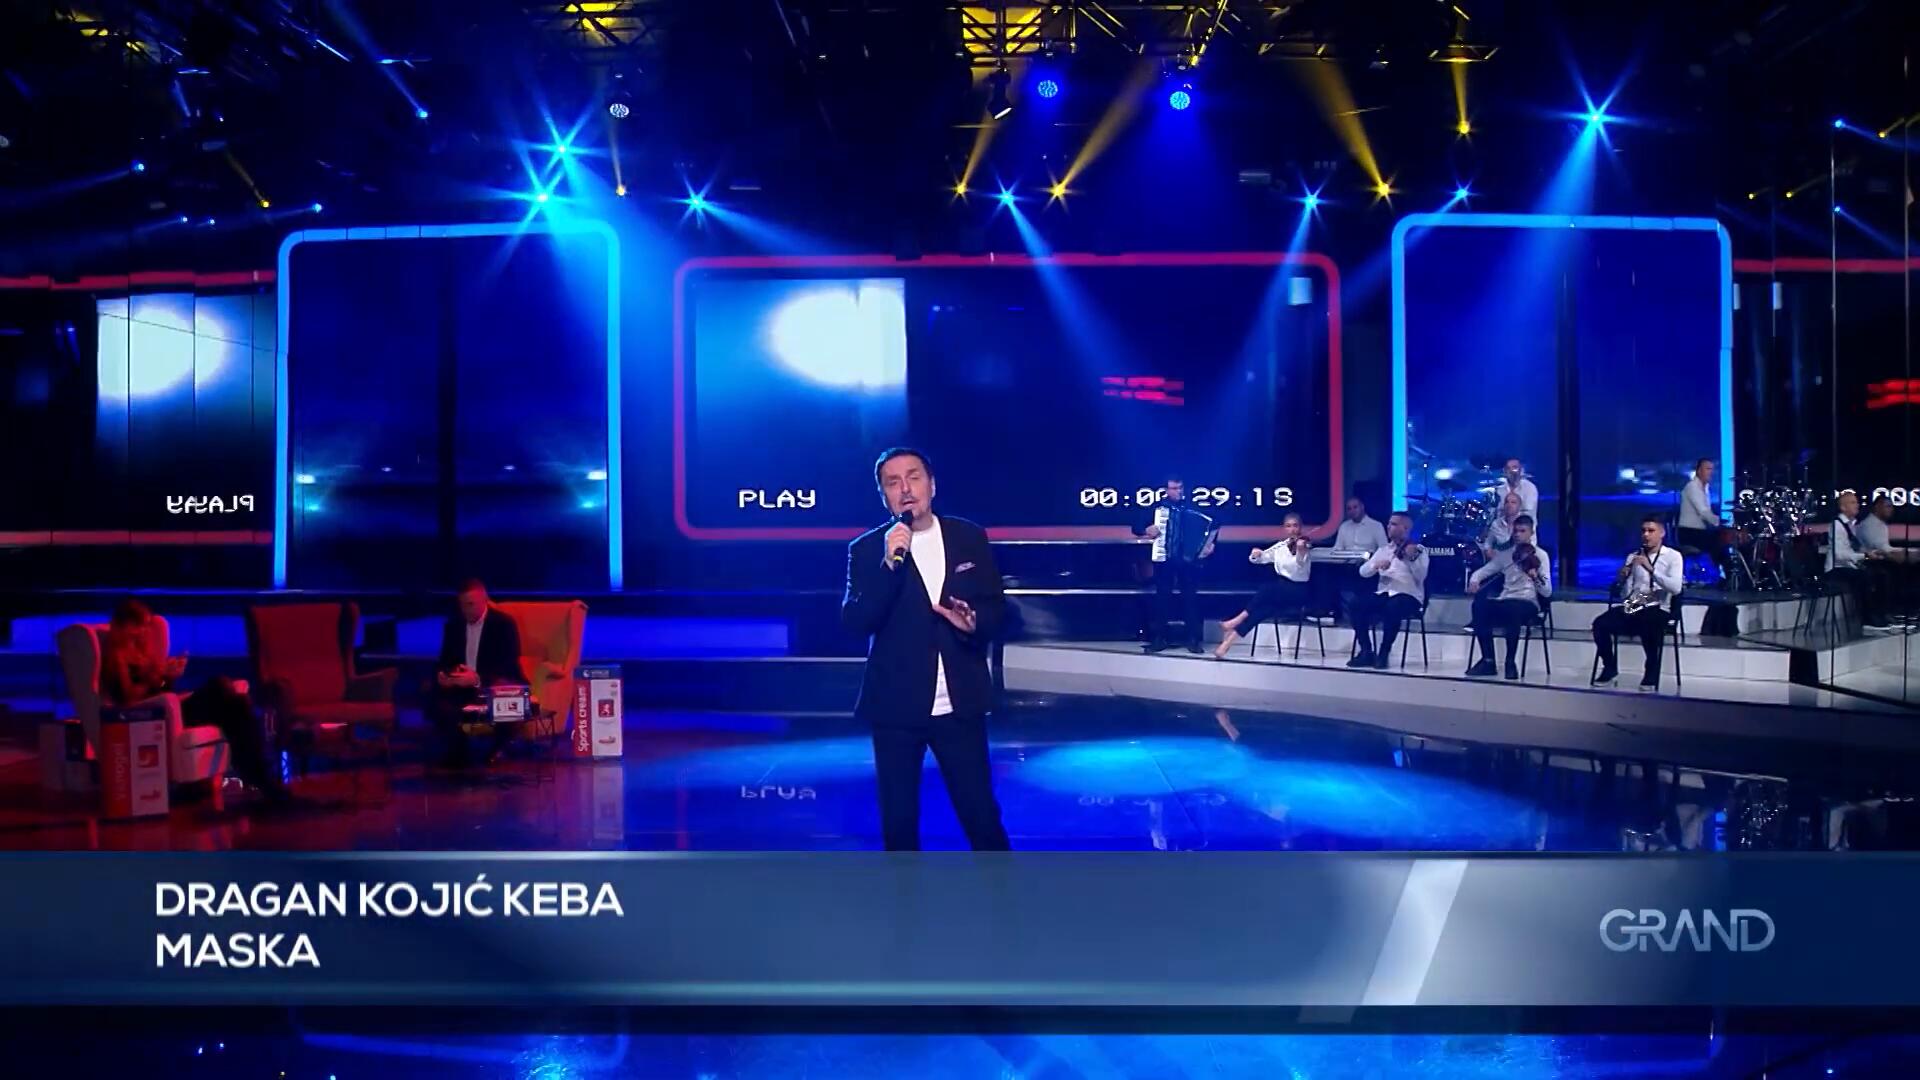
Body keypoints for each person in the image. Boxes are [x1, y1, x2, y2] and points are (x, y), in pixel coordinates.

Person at [842, 447, 1010, 852]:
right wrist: (888, 565)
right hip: (896, 708)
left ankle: (1003, 889)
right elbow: (856, 621)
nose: (905, 489)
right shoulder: (867, 550)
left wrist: (974, 623)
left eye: (913, 477)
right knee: (899, 824)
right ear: (883, 495)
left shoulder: (968, 537)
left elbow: (996, 608)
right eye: (893, 482)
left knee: (981, 817)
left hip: (960, 704)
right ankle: (905, 893)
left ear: (932, 484)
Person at [99, 599, 289, 803]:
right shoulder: (117, 656)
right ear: (127, 625)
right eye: (141, 626)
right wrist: (158, 676)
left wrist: (167, 676)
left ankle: (259, 774)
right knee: (221, 688)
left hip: (169, 710)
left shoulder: (139, 650)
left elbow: (161, 688)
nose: (145, 631)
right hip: (152, 717)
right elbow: (128, 698)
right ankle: (259, 776)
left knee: (237, 702)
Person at [430, 578, 525, 767]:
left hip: (497, 685)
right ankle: (456, 752)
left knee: (502, 696)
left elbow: (508, 664)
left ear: (485, 600)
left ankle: (498, 748)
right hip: (462, 687)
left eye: (471, 604)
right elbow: (445, 660)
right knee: (434, 696)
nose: (466, 610)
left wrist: (476, 679)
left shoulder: (504, 624)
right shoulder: (454, 625)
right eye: (462, 605)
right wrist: (444, 676)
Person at [1592, 517, 1686, 690]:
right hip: (1636, 603)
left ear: (1662, 533)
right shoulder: (1633, 557)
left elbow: (1675, 588)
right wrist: (1622, 579)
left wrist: (1650, 569)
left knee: (1648, 620)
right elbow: (1626, 595)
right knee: (1600, 624)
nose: (1646, 535)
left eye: (1651, 531)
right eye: (1643, 531)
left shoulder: (1673, 556)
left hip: (1660, 604)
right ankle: (1610, 667)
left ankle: (1651, 671)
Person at [1132, 472, 1217, 653]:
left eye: (1180, 488)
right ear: (1166, 490)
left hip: (1188, 561)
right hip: (1165, 558)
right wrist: (1147, 529)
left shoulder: (1193, 508)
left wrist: (1210, 545)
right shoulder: (1157, 509)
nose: (1178, 491)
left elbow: (1212, 526)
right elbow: (1136, 527)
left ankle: (1193, 639)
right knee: (1162, 598)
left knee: (1190, 599)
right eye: (1174, 488)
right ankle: (1160, 638)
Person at [1465, 514, 1552, 681]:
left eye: (1522, 531)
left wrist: (1536, 577)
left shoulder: (1540, 556)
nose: (1518, 534)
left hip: (1528, 602)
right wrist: (1474, 581)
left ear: (1531, 532)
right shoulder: (1506, 555)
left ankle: (1510, 662)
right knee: (1480, 606)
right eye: (1516, 531)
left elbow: (1547, 592)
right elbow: (1484, 571)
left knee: (1512, 609)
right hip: (1506, 599)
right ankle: (1488, 660)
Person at [1215, 512, 1312, 658]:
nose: (1292, 529)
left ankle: (1237, 619)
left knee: (1267, 589)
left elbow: (1300, 565)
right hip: (1281, 590)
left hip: (1298, 590)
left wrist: (1300, 551)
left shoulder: (1304, 545)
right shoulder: (1281, 545)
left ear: (1300, 527)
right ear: (1284, 528)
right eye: (1288, 526)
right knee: (1261, 611)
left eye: (1295, 526)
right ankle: (1226, 644)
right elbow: (1263, 557)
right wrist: (1256, 554)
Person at [1347, 511, 1429, 669]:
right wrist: (1376, 565)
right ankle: (1366, 651)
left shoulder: (1418, 550)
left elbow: (1421, 576)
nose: (1388, 526)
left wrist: (1411, 559)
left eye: (1394, 524)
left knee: (1393, 606)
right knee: (1355, 604)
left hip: (1409, 596)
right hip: (1384, 594)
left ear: (1405, 528)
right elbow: (1363, 572)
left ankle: (1384, 653)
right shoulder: (1384, 550)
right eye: (1389, 523)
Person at [1827, 490, 1891, 631]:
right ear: (1843, 507)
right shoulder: (1837, 525)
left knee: (1881, 574)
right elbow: (1839, 554)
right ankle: (1866, 619)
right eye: (1853, 502)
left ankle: (1881, 613)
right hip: (1836, 568)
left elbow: (1855, 548)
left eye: (1856, 502)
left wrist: (1869, 553)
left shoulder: (1852, 525)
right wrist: (1864, 556)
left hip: (1850, 566)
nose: (1857, 505)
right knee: (1863, 577)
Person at [1675, 458, 1732, 585]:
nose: (1711, 472)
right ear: (1699, 471)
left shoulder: (1705, 488)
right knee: (1717, 542)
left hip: (1699, 531)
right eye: (1708, 469)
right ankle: (1727, 577)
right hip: (1689, 532)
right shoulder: (1692, 487)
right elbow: (1703, 511)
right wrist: (1719, 522)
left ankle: (1728, 576)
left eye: (1712, 469)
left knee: (1721, 539)